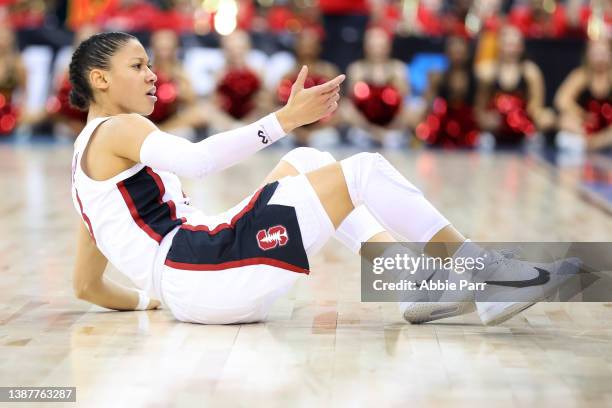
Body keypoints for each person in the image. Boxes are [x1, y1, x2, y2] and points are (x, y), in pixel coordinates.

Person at [69, 32, 574, 326]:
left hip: (196, 281)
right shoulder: (122, 127)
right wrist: (281, 121)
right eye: (139, 65)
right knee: (364, 169)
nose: (153, 74)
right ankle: (485, 275)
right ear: (100, 79)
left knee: (311, 161)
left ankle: (410, 283)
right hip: (206, 270)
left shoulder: (85, 172)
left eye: (150, 64)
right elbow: (197, 160)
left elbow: (87, 284)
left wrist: (151, 297)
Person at [475, 25, 555, 148]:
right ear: (499, 45)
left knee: (538, 139)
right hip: (495, 131)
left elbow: (536, 106)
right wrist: (485, 120)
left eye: (515, 44)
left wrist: (542, 117)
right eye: (508, 44)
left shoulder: (530, 72)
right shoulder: (487, 72)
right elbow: (479, 108)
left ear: (521, 47)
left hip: (523, 129)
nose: (511, 49)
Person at [342, 26, 415, 147]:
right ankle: (370, 134)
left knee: (414, 107)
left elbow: (405, 98)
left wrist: (392, 79)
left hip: (392, 121)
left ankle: (391, 134)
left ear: (388, 47)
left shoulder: (399, 68)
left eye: (381, 46)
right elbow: (351, 100)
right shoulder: (356, 68)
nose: (377, 51)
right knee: (344, 108)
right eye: (373, 46)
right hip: (364, 123)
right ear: (366, 47)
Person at [276, 27, 341, 146]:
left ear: (318, 47)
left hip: (322, 128)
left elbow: (338, 105)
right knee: (283, 139)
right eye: (304, 44)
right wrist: (297, 131)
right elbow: (277, 104)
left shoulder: (328, 71)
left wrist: (315, 131)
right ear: (297, 47)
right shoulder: (288, 74)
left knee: (326, 138)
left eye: (311, 44)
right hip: (293, 128)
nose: (307, 49)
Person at [419, 35, 479, 149]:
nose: (457, 57)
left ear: (467, 54)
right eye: (454, 53)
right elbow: (428, 106)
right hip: (443, 125)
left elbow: (478, 108)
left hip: (467, 126)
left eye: (460, 53)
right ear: (447, 54)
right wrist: (430, 85)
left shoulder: (475, 79)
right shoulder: (438, 77)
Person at [555, 39, 612, 152]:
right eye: (596, 54)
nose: (600, 58)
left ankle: (595, 143)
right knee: (564, 120)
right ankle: (587, 143)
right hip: (586, 125)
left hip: (608, 127)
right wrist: (582, 114)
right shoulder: (581, 75)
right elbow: (561, 100)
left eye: (603, 54)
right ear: (588, 55)